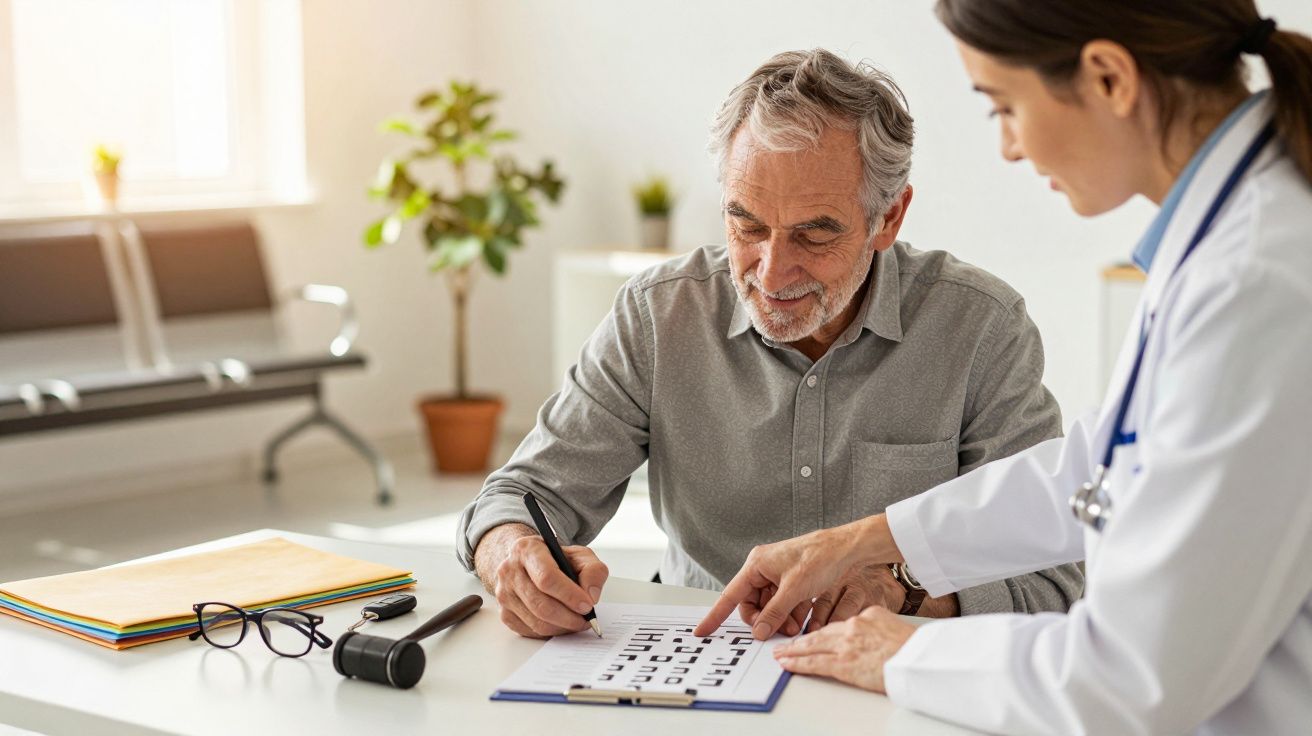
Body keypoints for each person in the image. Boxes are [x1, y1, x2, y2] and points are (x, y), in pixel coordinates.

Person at [695, 2, 1312, 734]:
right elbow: (1101, 466)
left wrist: (899, 654)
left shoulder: (1257, 277)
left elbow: (1133, 680)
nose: (1011, 148)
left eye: (1004, 106)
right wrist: (864, 541)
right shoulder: (1232, 238)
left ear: (1110, 78)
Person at [455, 49, 1084, 640]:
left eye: (814, 235)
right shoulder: (659, 314)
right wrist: (510, 551)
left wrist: (905, 590)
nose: (771, 271)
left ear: (888, 217)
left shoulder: (979, 328)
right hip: (702, 650)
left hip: (893, 671)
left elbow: (1053, 579)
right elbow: (519, 497)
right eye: (746, 225)